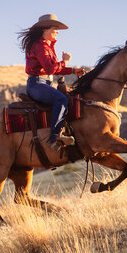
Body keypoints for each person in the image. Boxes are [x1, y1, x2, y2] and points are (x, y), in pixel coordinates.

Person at [18, 14, 84, 151]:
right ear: (45, 29)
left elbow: (53, 69)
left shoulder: (48, 46)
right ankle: (55, 137)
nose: (58, 32)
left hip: (45, 83)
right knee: (61, 99)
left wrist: (73, 70)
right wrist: (65, 61)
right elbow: (49, 68)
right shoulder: (39, 46)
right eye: (55, 28)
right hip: (37, 84)